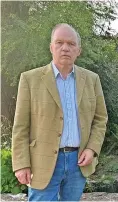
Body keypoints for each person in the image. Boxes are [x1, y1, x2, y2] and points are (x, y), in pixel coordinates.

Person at [12, 23, 108, 201]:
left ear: (79, 50)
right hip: (42, 161)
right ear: (51, 47)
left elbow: (100, 119)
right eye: (59, 42)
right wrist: (21, 164)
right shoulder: (30, 79)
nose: (65, 48)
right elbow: (20, 127)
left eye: (71, 44)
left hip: (78, 162)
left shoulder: (92, 80)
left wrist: (92, 148)